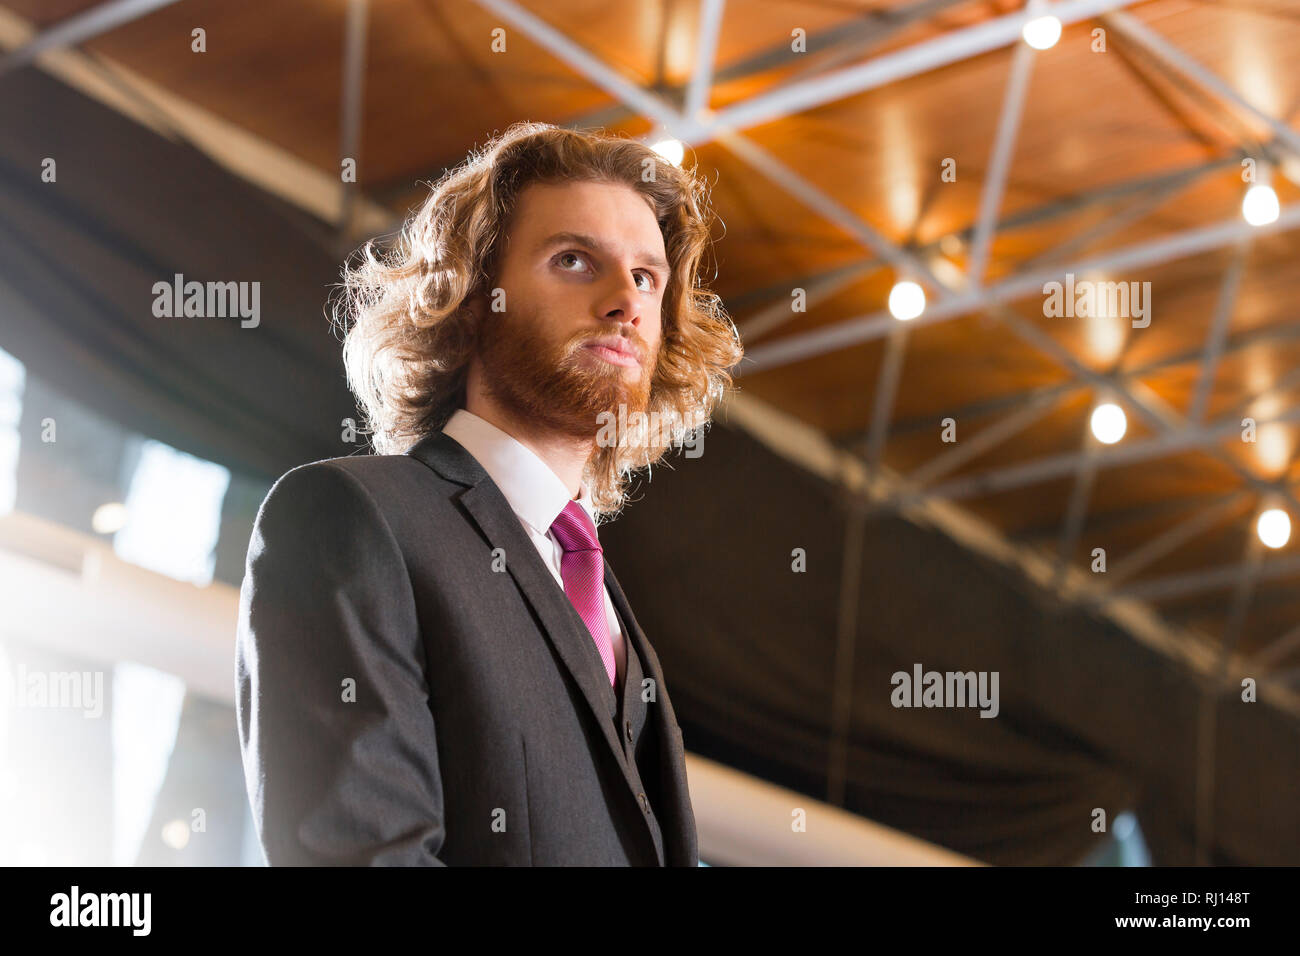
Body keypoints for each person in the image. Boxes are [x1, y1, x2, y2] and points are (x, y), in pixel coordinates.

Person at [235, 121, 742, 865]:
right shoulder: (351, 518)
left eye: (646, 277)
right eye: (574, 260)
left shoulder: (610, 610)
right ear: (472, 296)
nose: (625, 303)